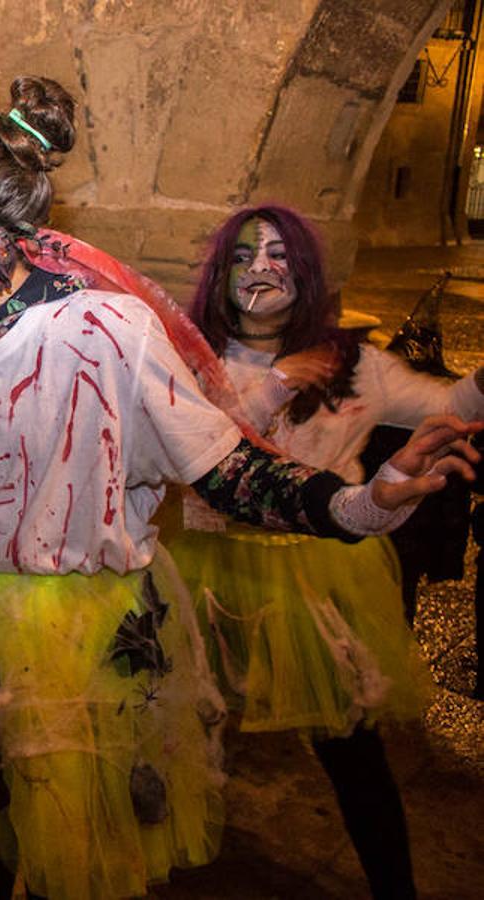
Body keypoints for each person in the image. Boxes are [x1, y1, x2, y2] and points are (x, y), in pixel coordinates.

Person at [0, 78, 479, 900]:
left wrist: (363, 503)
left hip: (86, 643)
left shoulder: (102, 332)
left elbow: (230, 471)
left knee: (81, 856)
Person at [169, 204, 484, 899]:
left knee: (349, 745)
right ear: (219, 274)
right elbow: (188, 455)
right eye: (244, 256)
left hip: (315, 576)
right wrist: (276, 385)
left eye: (279, 256)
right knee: (185, 729)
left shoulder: (356, 365)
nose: (260, 270)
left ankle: (394, 886)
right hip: (205, 564)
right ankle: (173, 863)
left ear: (305, 272)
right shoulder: (189, 359)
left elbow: (447, 402)